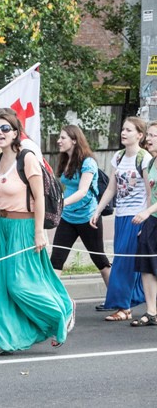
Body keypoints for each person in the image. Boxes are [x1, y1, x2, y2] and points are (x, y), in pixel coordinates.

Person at [0, 112, 74, 357]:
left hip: (24, 226)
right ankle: (4, 340)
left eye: (5, 128)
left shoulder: (28, 158)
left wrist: (39, 232)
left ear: (15, 132)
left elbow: (40, 197)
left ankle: (61, 311)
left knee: (19, 284)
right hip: (0, 227)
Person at [90, 117, 150, 321]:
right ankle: (129, 304)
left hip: (137, 217)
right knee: (124, 261)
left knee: (125, 262)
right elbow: (111, 188)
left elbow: (151, 193)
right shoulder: (119, 156)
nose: (124, 133)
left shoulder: (145, 158)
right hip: (121, 215)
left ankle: (124, 307)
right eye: (123, 129)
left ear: (139, 135)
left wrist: (147, 218)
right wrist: (97, 211)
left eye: (129, 130)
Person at [50, 125, 111, 285]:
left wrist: (60, 203)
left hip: (88, 217)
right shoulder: (65, 160)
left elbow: (83, 191)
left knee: (99, 258)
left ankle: (116, 300)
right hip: (68, 217)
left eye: (63, 138)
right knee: (56, 260)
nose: (59, 141)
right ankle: (53, 304)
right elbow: (67, 187)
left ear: (75, 140)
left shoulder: (88, 162)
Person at [131, 121, 157, 326]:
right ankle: (151, 311)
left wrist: (147, 212)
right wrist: (146, 220)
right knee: (146, 264)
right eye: (148, 135)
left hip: (152, 213)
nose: (149, 139)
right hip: (153, 219)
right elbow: (150, 195)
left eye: (153, 135)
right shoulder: (150, 163)